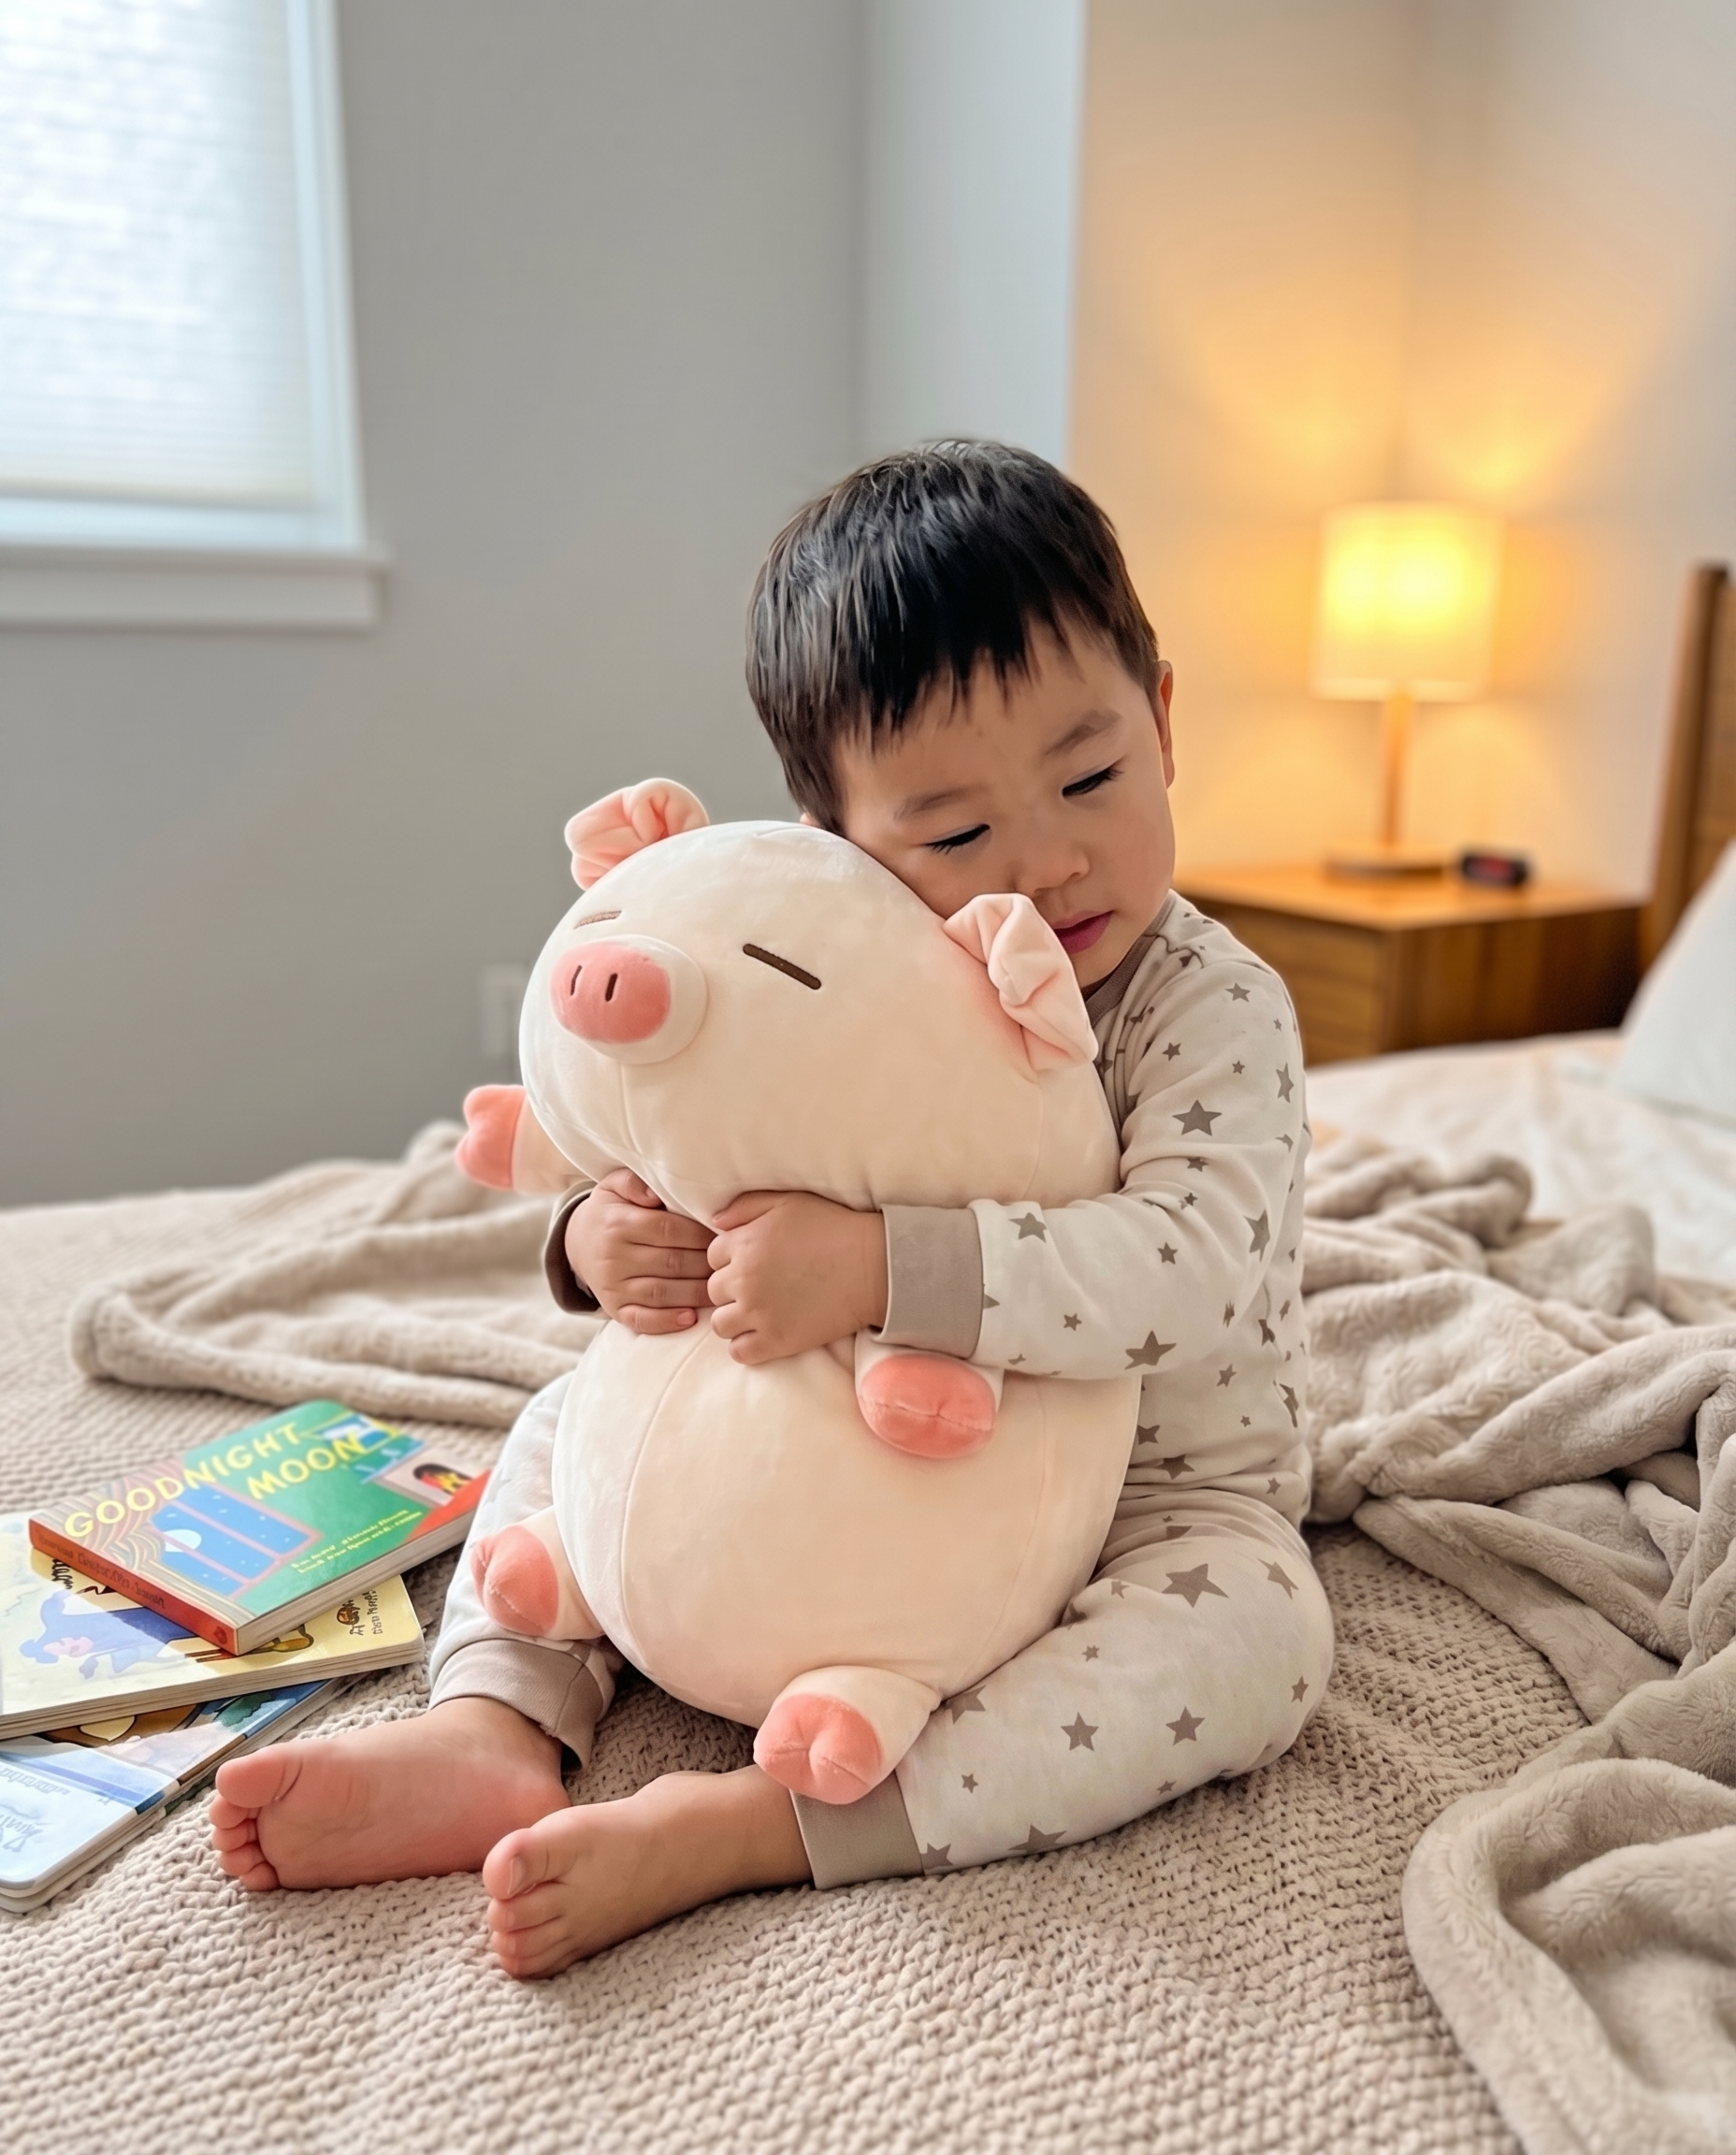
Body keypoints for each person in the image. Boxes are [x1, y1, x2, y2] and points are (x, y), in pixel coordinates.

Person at [209, 441, 1333, 1977]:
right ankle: (493, 1717)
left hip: (1153, 1492)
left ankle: (767, 1826)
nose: (1049, 859)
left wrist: (880, 1266)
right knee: (567, 1432)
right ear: (837, 848)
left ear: (1165, 722)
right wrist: (606, 1244)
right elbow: (703, 1139)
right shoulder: (855, 966)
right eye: (951, 834)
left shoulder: (1213, 1008)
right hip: (850, 1443)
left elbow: (1187, 1268)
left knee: (1260, 1641)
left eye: (1090, 776)